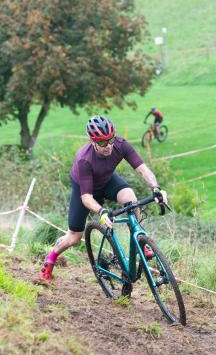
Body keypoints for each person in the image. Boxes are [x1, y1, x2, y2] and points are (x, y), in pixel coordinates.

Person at [39, 115, 167, 282]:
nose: (108, 146)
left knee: (131, 199)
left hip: (107, 180)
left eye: (110, 140)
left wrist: (156, 188)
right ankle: (51, 259)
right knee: (74, 238)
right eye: (102, 143)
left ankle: (139, 241)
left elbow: (142, 169)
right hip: (85, 189)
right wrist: (102, 211)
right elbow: (86, 198)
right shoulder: (84, 159)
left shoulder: (121, 145)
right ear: (93, 142)